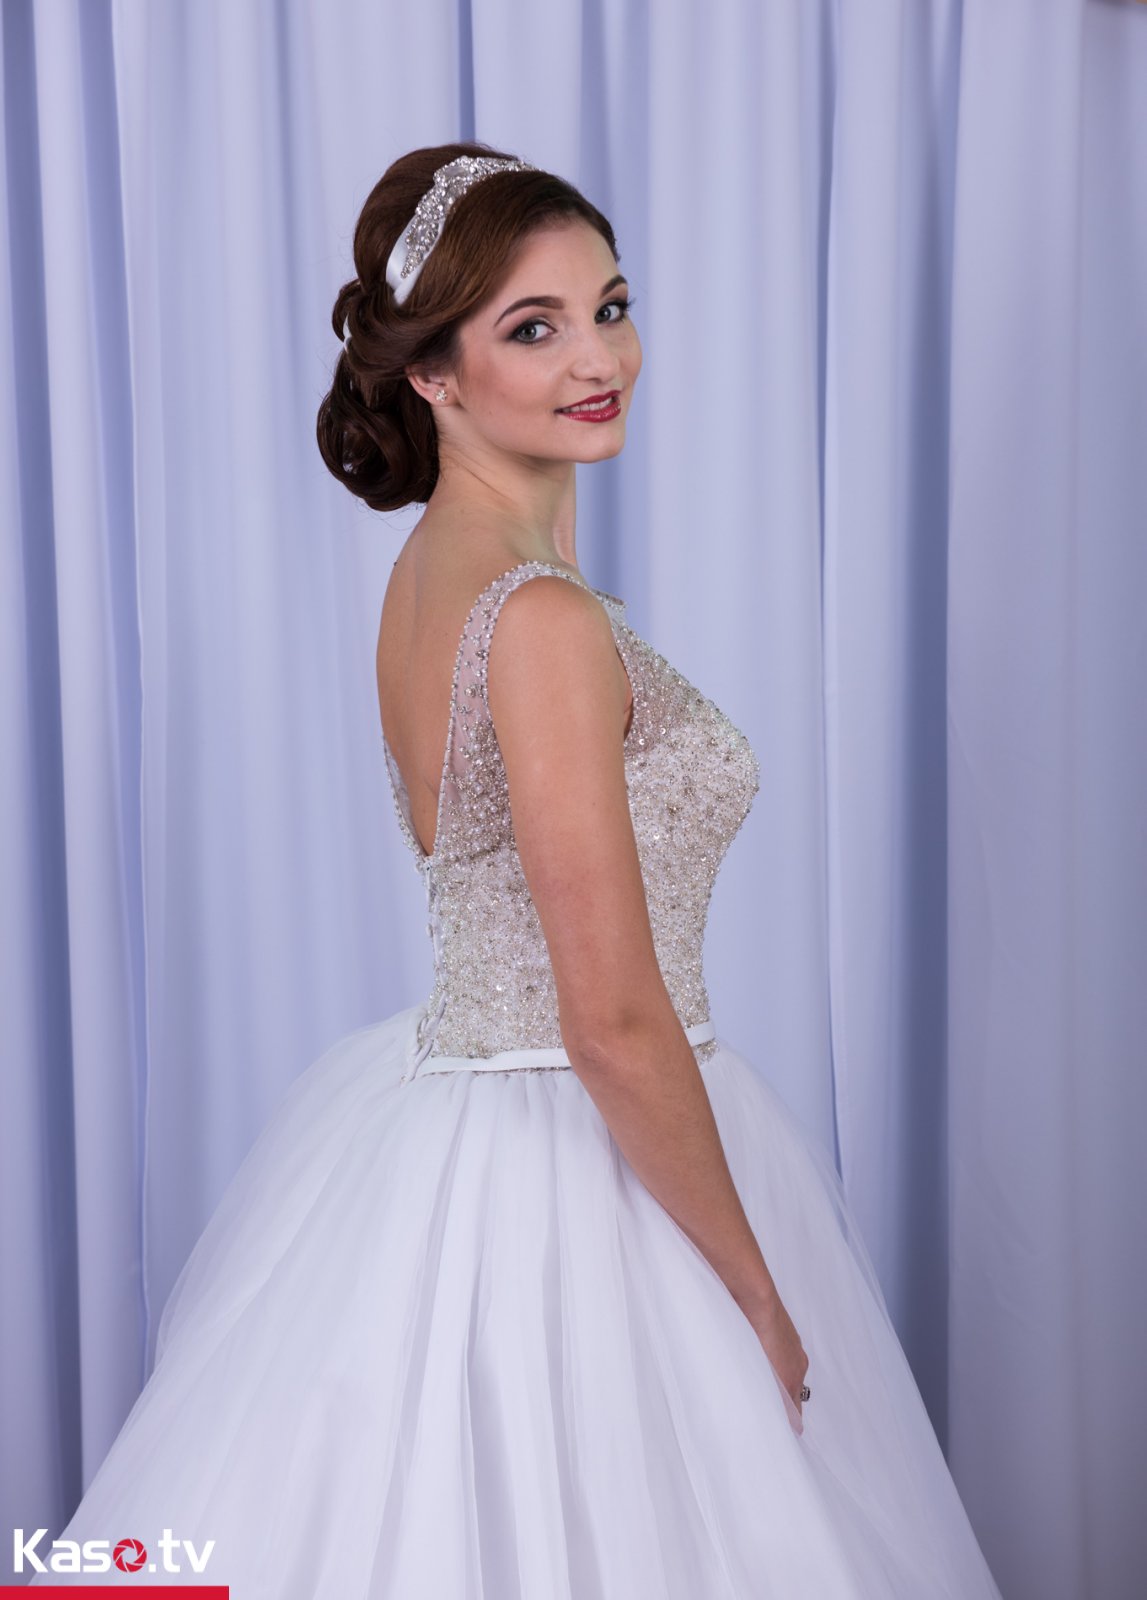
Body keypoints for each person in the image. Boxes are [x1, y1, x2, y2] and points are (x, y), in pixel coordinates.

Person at [28, 143, 1004, 1597]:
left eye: (609, 306)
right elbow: (607, 1017)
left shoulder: (437, 568)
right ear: (431, 373)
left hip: (463, 1124)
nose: (598, 357)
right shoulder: (538, 619)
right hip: (580, 1160)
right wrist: (755, 1287)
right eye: (533, 328)